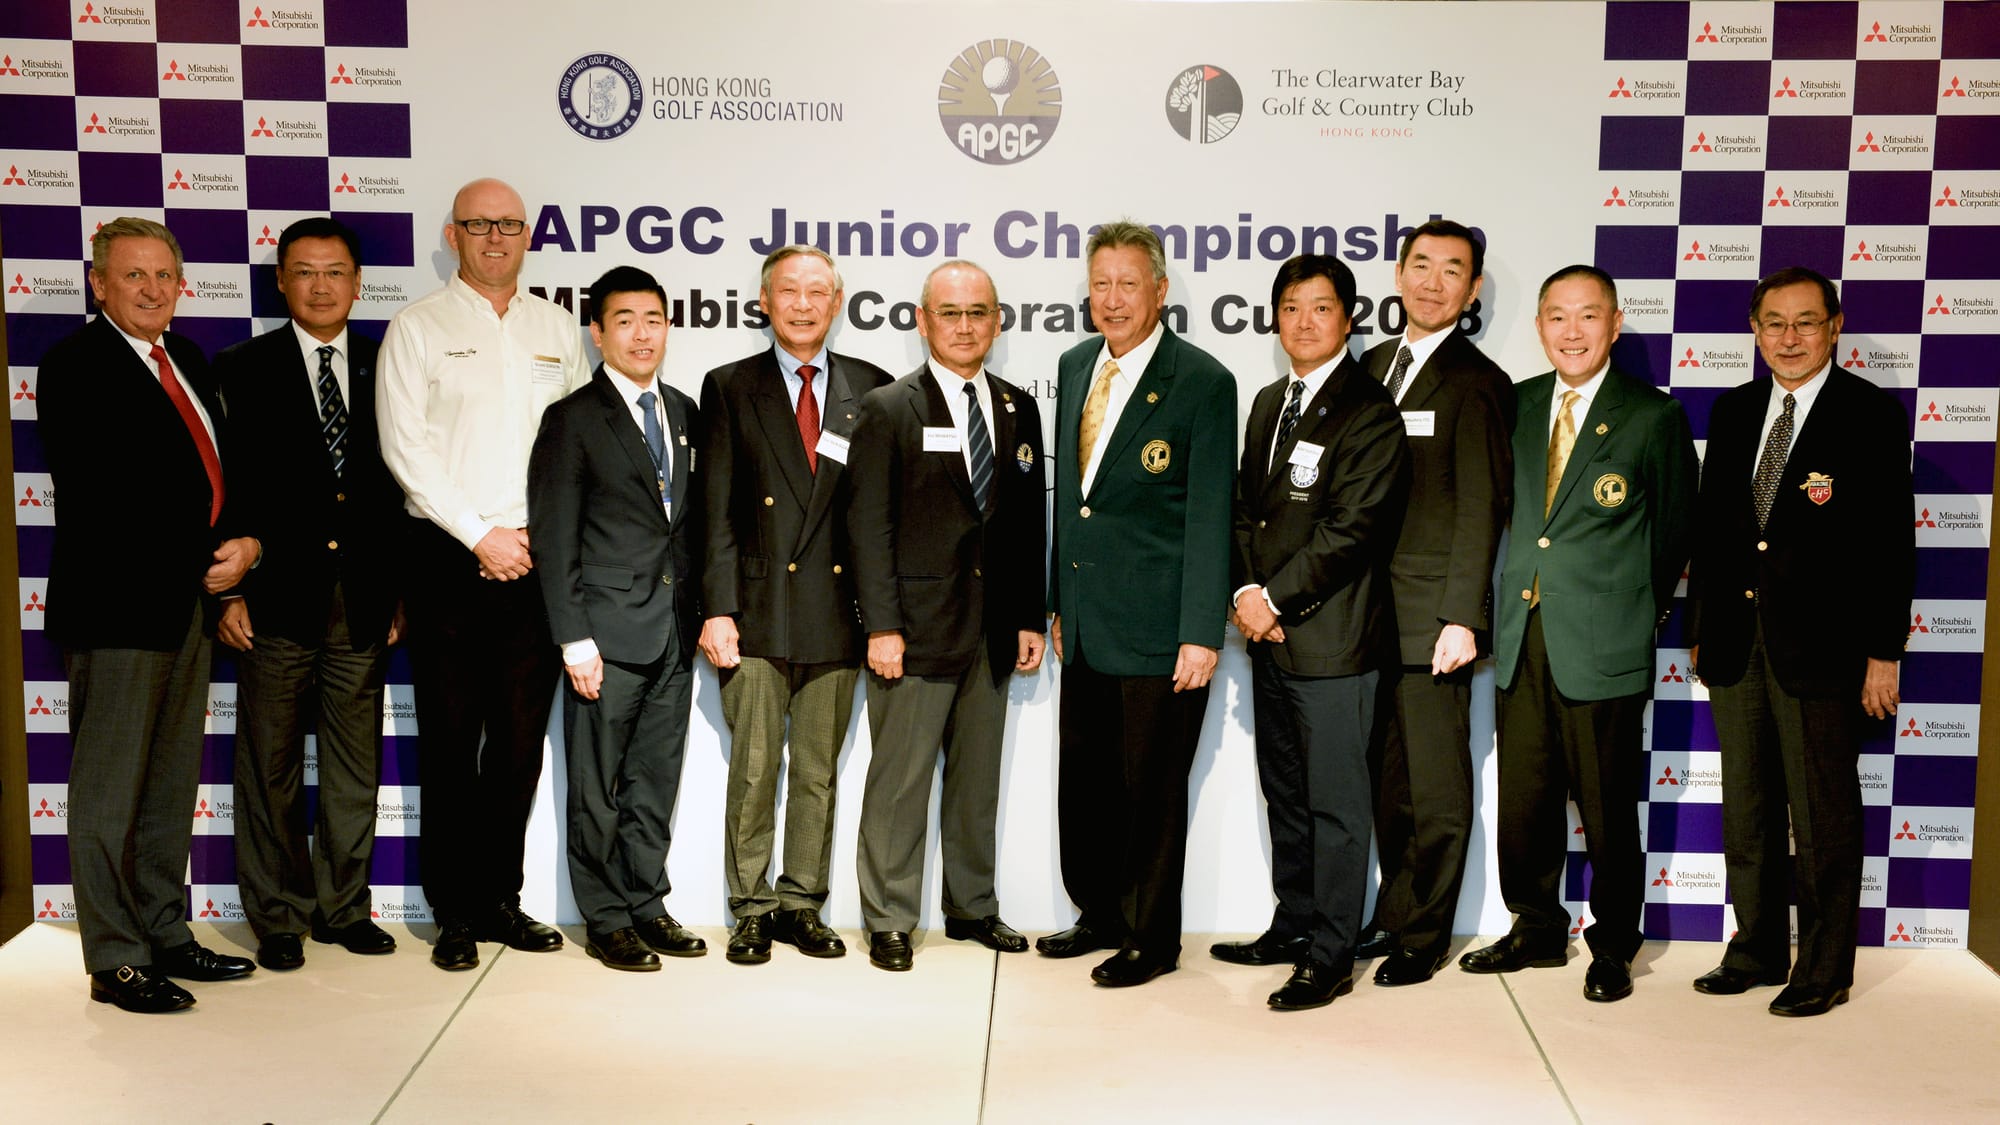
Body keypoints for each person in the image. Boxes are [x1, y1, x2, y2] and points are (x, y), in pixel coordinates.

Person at [39, 217, 261, 1011]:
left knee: (168, 787)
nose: (152, 288)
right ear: (99, 283)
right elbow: (108, 495)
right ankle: (117, 957)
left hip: (188, 611)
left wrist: (244, 551)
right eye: (133, 275)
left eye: (164, 275)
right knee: (108, 794)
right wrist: (210, 559)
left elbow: (218, 472)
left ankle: (167, 931)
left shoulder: (189, 360)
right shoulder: (74, 365)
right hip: (118, 610)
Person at [1460, 265, 1697, 1003]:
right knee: (1525, 798)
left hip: (1604, 642)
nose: (1572, 331)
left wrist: (1629, 612)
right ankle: (1533, 927)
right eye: (1557, 317)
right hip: (1521, 632)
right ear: (1539, 328)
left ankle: (1612, 944)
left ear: (1615, 324)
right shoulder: (1518, 404)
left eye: (1588, 316)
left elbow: (1672, 537)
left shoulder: (1651, 416)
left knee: (1605, 805)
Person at [1685, 267, 1913, 1017]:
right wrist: (1701, 628)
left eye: (1805, 322)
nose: (1789, 337)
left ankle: (1822, 968)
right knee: (1747, 808)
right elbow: (1715, 536)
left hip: (1822, 651)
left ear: (1835, 326)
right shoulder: (1734, 409)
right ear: (1755, 331)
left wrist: (1884, 651)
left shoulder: (1868, 414)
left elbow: (1890, 544)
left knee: (1820, 817)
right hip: (1735, 646)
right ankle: (1754, 948)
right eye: (1774, 323)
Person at [376, 178, 589, 971]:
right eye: (479, 224)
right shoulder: (418, 327)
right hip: (448, 559)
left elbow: (575, 443)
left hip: (537, 561)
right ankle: (453, 910)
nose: (495, 237)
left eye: (509, 224)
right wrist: (478, 535)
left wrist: (536, 535)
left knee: (520, 746)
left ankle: (502, 897)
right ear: (453, 232)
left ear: (527, 235)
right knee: (452, 742)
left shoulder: (557, 328)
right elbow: (406, 450)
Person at [1040, 220, 1236, 987]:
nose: (1113, 299)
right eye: (1101, 284)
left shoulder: (1203, 382)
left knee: (1151, 793)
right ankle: (1100, 913)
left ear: (1160, 290)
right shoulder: (1075, 362)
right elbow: (1074, 504)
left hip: (1162, 633)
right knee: (1086, 783)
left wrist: (1200, 631)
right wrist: (1060, 603)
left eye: (1128, 284)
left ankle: (1152, 939)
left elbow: (1210, 516)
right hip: (1086, 624)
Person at [845, 261, 1047, 972]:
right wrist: (881, 625)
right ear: (923, 321)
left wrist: (1028, 614)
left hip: (991, 633)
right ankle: (890, 917)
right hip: (914, 632)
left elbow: (1027, 524)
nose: (966, 325)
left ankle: (972, 907)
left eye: (979, 312)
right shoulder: (889, 407)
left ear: (997, 321)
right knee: (899, 784)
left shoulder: (1020, 407)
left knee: (975, 784)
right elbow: (868, 527)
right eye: (951, 312)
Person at [216, 217, 404, 973]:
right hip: (270, 601)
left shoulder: (388, 363)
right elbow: (222, 489)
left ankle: (343, 908)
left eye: (335, 272)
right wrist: (226, 595)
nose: (321, 286)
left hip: (360, 599)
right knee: (269, 767)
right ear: (281, 281)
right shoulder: (239, 367)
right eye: (305, 272)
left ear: (358, 283)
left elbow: (399, 489)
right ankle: (279, 916)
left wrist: (396, 591)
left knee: (355, 767)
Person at [698, 245, 892, 964]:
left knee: (816, 768)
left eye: (818, 292)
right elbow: (714, 511)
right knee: (754, 769)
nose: (803, 304)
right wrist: (716, 607)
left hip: (837, 612)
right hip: (753, 612)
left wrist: (883, 618)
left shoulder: (870, 388)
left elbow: (875, 520)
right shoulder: (729, 386)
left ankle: (800, 901)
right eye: (790, 291)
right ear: (764, 300)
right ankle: (749, 905)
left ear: (837, 303)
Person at [1224, 255, 1408, 1010]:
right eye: (1291, 307)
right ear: (1275, 319)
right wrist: (1244, 592)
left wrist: (1273, 597)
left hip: (1331, 640)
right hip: (1266, 637)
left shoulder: (1369, 409)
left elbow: (1351, 530)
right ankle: (1294, 922)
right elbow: (1246, 510)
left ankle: (1330, 952)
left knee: (1336, 804)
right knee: (1287, 793)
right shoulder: (1270, 401)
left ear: (1349, 318)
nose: (1304, 321)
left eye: (1321, 308)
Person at [528, 266, 706, 973]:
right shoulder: (572, 418)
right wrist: (574, 637)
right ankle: (605, 916)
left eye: (654, 319)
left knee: (654, 782)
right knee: (597, 787)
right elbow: (555, 535)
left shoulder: (686, 412)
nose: (642, 333)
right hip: (604, 635)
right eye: (625, 319)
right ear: (597, 331)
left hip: (672, 633)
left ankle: (646, 902)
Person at [1352, 219, 1515, 986]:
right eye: (1420, 264)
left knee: (1437, 785)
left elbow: (1483, 507)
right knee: (1388, 782)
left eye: (1452, 270)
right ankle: (1394, 911)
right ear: (1397, 272)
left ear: (1472, 289)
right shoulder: (1372, 364)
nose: (1432, 281)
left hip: (1430, 622)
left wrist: (1463, 615)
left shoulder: (1479, 382)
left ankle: (1427, 932)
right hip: (1362, 617)